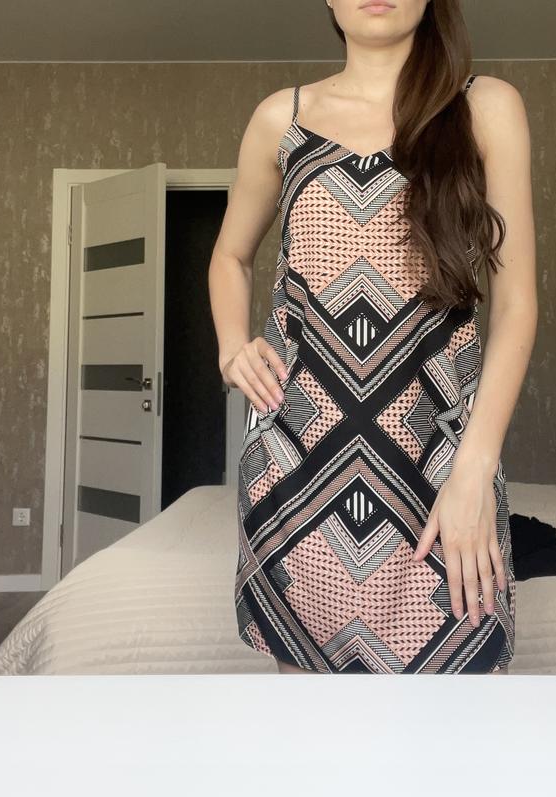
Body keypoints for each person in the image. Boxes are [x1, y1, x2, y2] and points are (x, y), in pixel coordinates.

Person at [210, 0, 537, 674]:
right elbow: (229, 256)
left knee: (466, 707)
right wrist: (231, 346)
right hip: (295, 469)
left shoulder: (484, 108)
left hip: (443, 464)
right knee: (314, 725)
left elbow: (516, 305)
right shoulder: (281, 119)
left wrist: (476, 468)